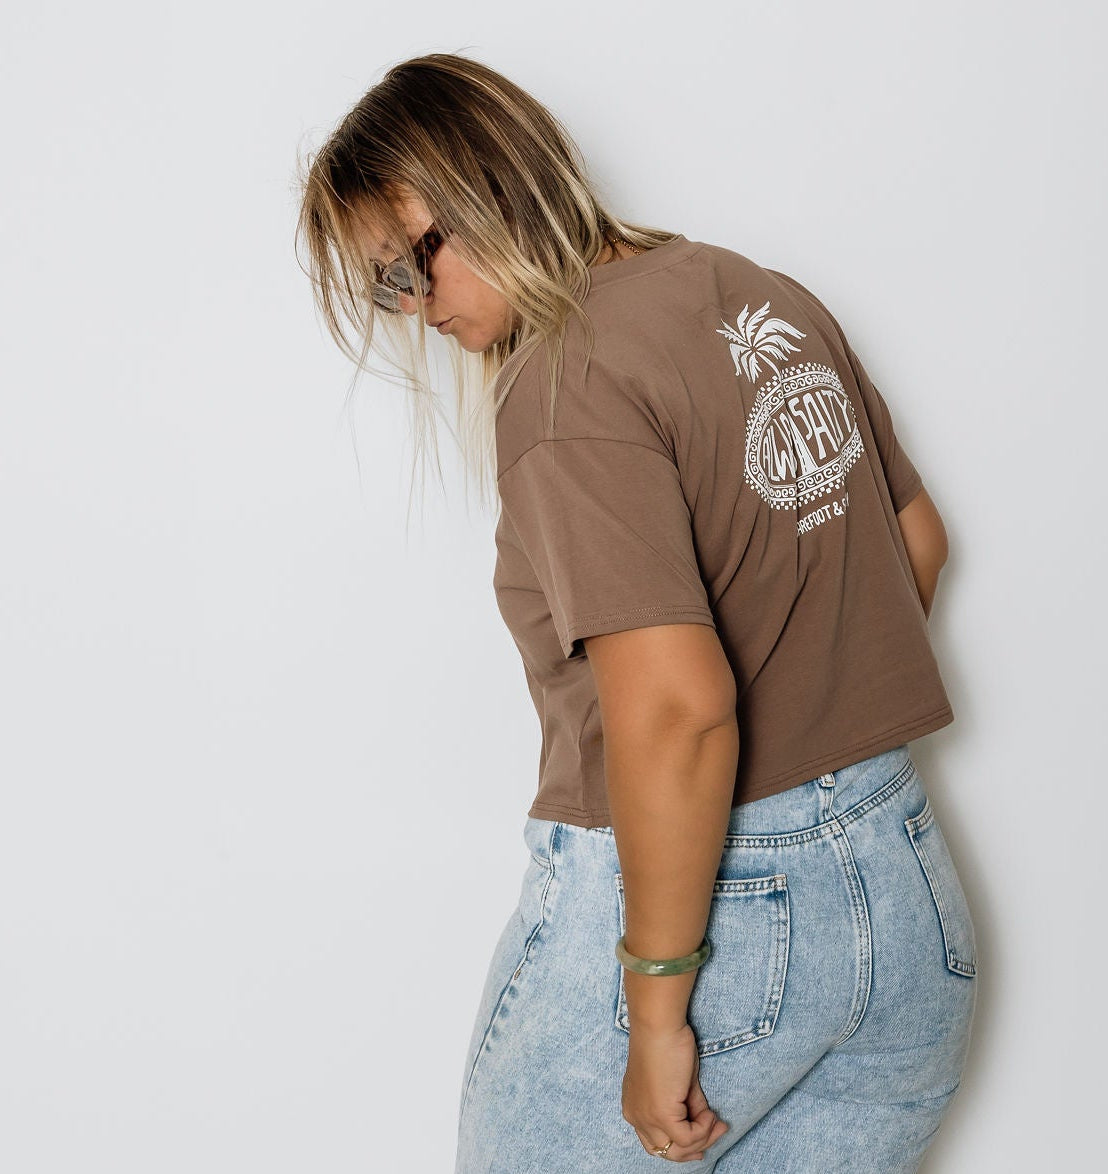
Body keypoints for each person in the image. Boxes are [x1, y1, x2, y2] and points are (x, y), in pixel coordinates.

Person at [295, 51, 978, 1172]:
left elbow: (678, 708)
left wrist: (658, 1007)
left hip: (709, 912)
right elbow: (916, 542)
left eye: (404, 269)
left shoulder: (563, 385)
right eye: (385, 291)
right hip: (906, 893)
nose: (414, 312)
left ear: (482, 191)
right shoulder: (758, 293)